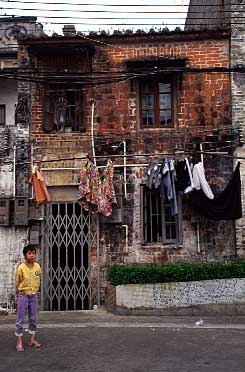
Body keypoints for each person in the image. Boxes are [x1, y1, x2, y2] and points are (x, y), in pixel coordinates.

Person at [15, 244, 42, 352]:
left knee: (33, 318)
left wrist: (36, 291)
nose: (32, 255)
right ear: (25, 255)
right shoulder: (21, 267)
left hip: (34, 296)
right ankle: (19, 342)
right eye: (29, 253)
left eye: (33, 253)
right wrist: (20, 292)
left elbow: (38, 279)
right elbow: (17, 282)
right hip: (23, 295)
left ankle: (32, 340)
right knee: (20, 319)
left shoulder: (37, 267)